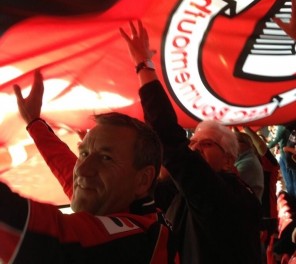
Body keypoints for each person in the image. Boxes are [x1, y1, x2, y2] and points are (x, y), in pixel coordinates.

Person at [120, 20, 262, 264]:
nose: (194, 148)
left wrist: (144, 65)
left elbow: (169, 139)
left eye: (206, 144)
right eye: (193, 143)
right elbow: (128, 192)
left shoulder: (228, 196)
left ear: (229, 160)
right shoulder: (180, 192)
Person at [2, 71, 178, 263]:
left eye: (106, 158)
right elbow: (67, 167)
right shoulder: (125, 204)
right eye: (84, 153)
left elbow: (32, 232)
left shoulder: (133, 240)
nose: (82, 170)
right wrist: (34, 123)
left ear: (143, 180)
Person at [234, 131, 264, 202]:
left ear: (246, 145)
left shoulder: (248, 162)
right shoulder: (246, 158)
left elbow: (230, 183)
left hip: (249, 208)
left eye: (234, 142)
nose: (231, 145)